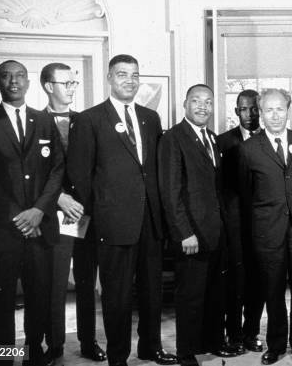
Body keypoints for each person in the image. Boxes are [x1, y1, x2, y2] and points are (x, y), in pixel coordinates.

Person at [68, 54, 176, 366]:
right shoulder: (90, 120)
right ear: (109, 78)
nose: (129, 80)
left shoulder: (149, 118)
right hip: (112, 223)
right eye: (122, 74)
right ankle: (118, 357)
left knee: (152, 291)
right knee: (116, 295)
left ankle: (150, 348)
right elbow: (80, 176)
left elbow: (154, 170)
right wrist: (97, 219)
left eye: (134, 75)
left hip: (150, 221)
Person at [0, 60, 65, 366]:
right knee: (1, 302)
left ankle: (33, 356)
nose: (14, 81)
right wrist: (21, 217)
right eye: (6, 76)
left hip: (40, 229)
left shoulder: (44, 121)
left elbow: (56, 170)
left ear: (29, 83)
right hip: (4, 230)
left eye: (20, 76)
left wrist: (38, 210)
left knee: (39, 298)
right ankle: (2, 360)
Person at [158, 84, 236, 366]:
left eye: (208, 102)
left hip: (215, 232)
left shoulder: (212, 138)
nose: (203, 106)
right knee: (190, 296)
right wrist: (184, 233)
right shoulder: (173, 138)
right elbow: (170, 191)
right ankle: (186, 351)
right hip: (190, 234)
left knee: (214, 293)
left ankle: (213, 343)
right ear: (185, 104)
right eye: (196, 101)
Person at [238, 88, 292, 365]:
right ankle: (275, 346)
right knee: (272, 293)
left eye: (280, 109)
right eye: (268, 109)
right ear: (260, 112)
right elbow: (245, 195)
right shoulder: (248, 149)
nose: (274, 115)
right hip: (268, 233)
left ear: (288, 110)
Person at [40, 63, 106, 365]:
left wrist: (84, 202)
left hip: (86, 215)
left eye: (73, 83)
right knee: (54, 283)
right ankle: (53, 345)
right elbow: (32, 173)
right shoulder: (34, 121)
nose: (71, 88)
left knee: (86, 282)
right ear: (47, 86)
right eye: (65, 83)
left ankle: (88, 341)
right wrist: (59, 199)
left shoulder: (87, 120)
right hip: (54, 215)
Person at [216, 89, 264, 354]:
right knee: (234, 282)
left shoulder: (270, 139)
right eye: (244, 109)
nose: (250, 114)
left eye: (255, 108)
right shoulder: (222, 142)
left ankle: (251, 333)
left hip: (262, 226)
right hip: (233, 225)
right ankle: (233, 334)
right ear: (236, 112)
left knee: (258, 282)